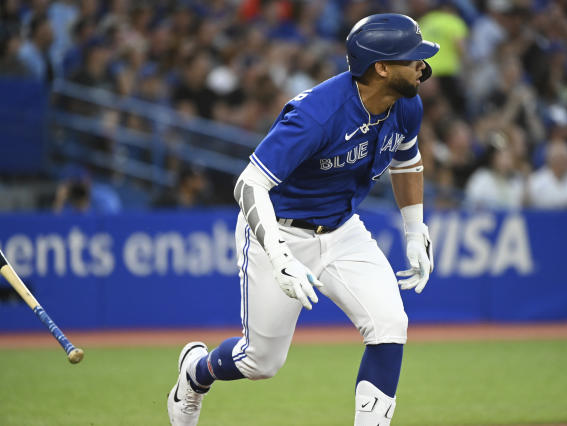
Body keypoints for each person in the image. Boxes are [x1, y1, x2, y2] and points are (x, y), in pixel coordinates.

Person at [167, 14, 438, 426]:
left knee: (389, 323)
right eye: (412, 57)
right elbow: (248, 185)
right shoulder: (318, 115)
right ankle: (196, 372)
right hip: (279, 231)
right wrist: (278, 257)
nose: (422, 64)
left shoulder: (406, 104)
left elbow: (406, 161)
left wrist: (415, 231)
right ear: (381, 68)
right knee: (261, 361)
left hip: (344, 230)